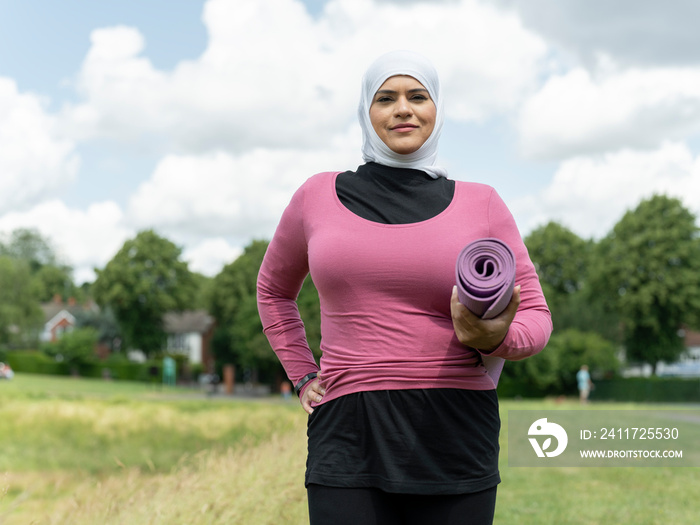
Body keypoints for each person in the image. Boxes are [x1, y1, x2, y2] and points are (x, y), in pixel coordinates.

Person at [257, 50, 552, 525]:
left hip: (456, 429)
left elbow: (537, 316)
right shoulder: (316, 195)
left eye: (418, 96)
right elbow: (273, 290)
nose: (403, 109)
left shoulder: (483, 204)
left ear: (436, 109)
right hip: (348, 432)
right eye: (385, 98)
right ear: (365, 112)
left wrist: (496, 339)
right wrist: (303, 373)